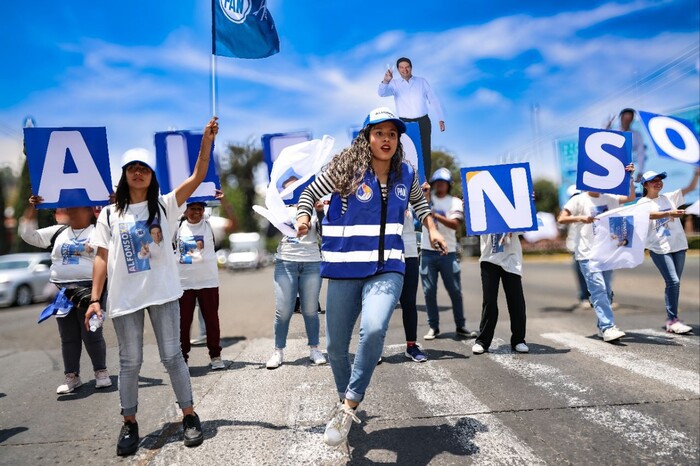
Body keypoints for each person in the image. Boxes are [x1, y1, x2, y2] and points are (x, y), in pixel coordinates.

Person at [295, 107, 446, 447]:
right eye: (379, 133)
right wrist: (304, 217)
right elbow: (308, 194)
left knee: (375, 327)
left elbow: (421, 206)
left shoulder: (406, 174)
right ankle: (343, 395)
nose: (386, 139)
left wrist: (433, 230)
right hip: (345, 269)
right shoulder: (345, 169)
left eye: (392, 134)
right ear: (367, 137)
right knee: (335, 346)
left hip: (388, 267)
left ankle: (349, 406)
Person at [85, 117, 218, 456]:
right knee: (130, 363)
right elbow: (101, 257)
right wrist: (95, 299)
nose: (138, 172)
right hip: (126, 298)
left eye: (144, 167)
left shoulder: (166, 205)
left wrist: (206, 142)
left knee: (173, 356)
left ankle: (189, 415)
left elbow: (198, 175)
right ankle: (129, 423)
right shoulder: (109, 215)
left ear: (152, 174)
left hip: (162, 293)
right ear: (124, 174)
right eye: (132, 167)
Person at [19, 199, 110, 394]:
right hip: (62, 292)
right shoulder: (58, 231)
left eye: (76, 207)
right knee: (68, 336)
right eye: (68, 208)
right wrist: (31, 208)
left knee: (91, 333)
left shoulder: (100, 232)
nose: (71, 210)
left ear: (89, 211)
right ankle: (72, 376)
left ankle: (101, 372)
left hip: (90, 290)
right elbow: (28, 235)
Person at [557, 163, 636, 342]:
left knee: (606, 291)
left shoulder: (610, 197)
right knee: (598, 289)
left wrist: (630, 177)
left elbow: (630, 197)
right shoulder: (578, 200)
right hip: (587, 253)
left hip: (607, 251)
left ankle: (602, 327)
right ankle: (608, 327)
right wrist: (581, 218)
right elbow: (561, 218)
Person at [266, 202, 326, 369]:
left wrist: (320, 211)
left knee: (310, 310)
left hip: (312, 262)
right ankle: (278, 351)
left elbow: (325, 233)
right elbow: (269, 234)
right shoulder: (281, 208)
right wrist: (274, 214)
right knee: (283, 310)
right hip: (286, 262)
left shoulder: (315, 208)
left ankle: (314, 349)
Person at [640, 168, 700, 334]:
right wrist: (669, 213)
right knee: (673, 281)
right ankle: (672, 320)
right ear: (645, 185)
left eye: (660, 179)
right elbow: (649, 215)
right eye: (653, 180)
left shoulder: (669, 197)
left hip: (678, 245)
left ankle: (672, 318)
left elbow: (689, 188)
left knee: (675, 284)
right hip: (659, 247)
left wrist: (696, 175)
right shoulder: (642, 203)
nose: (658, 182)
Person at [420, 168, 476, 340]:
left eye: (443, 182)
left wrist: (434, 214)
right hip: (428, 251)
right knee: (429, 292)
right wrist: (426, 198)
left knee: (455, 291)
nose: (440, 185)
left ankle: (460, 325)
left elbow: (454, 224)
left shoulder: (455, 202)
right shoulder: (426, 200)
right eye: (437, 182)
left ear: (449, 184)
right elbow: (419, 217)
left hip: (448, 252)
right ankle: (433, 327)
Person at [176, 201, 224, 370]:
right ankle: (182, 358)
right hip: (184, 284)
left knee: (211, 321)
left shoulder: (210, 225)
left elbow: (233, 224)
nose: (197, 212)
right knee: (182, 324)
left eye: (200, 209)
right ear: (185, 210)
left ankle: (216, 356)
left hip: (208, 282)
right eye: (193, 209)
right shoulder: (177, 226)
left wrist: (224, 201)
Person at [378, 57, 445, 175]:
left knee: (424, 152)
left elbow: (433, 99)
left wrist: (441, 118)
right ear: (398, 69)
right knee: (407, 152)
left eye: (407, 67)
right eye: (401, 67)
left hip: (423, 121)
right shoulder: (394, 84)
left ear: (411, 67)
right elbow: (382, 93)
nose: (405, 70)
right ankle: (408, 181)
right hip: (405, 123)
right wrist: (386, 80)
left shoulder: (422, 81)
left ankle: (426, 182)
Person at [472, 233, 528, 354]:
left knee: (516, 299)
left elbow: (524, 227)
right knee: (489, 300)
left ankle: (518, 340)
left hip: (511, 258)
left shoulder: (514, 212)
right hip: (489, 258)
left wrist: (510, 229)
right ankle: (483, 341)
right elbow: (476, 227)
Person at [398, 208, 428, 362]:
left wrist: (426, 198)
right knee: (382, 305)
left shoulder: (413, 197)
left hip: (409, 253)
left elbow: (422, 219)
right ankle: (375, 348)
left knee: (409, 302)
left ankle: (411, 346)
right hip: (386, 253)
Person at [564, 185, 591, 309]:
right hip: (576, 248)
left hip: (591, 247)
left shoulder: (589, 208)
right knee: (581, 274)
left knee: (597, 274)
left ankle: (603, 297)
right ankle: (584, 297)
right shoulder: (568, 212)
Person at [607, 108, 646, 181]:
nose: (627, 121)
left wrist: (640, 171)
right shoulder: (612, 133)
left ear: (632, 120)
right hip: (610, 167)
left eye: (629, 119)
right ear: (621, 118)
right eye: (625, 118)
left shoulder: (636, 135)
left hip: (626, 169)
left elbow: (641, 154)